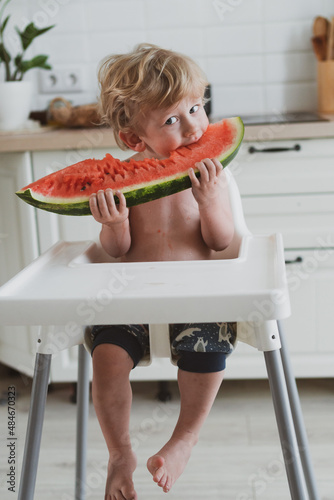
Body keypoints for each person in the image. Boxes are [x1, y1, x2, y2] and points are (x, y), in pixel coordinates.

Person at [89, 43, 236, 500]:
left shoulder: (214, 176)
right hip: (131, 296)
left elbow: (221, 241)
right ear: (136, 140)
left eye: (197, 108)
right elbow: (116, 251)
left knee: (207, 357)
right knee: (106, 361)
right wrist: (113, 223)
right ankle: (120, 452)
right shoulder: (123, 181)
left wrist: (210, 202)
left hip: (196, 295)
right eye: (172, 120)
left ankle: (184, 438)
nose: (194, 128)